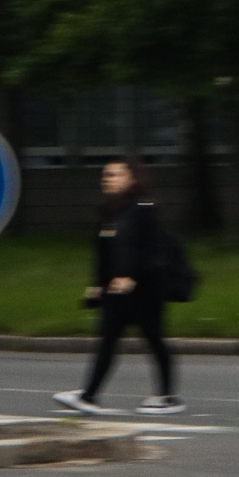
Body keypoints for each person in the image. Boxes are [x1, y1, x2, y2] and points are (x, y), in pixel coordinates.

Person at [55, 158, 184, 417]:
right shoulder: (111, 211)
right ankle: (89, 396)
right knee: (108, 340)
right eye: (106, 175)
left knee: (154, 338)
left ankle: (168, 397)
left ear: (132, 179)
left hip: (146, 290)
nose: (107, 178)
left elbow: (152, 250)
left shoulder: (144, 208)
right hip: (117, 291)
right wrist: (97, 285)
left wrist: (132, 277)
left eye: (114, 174)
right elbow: (104, 252)